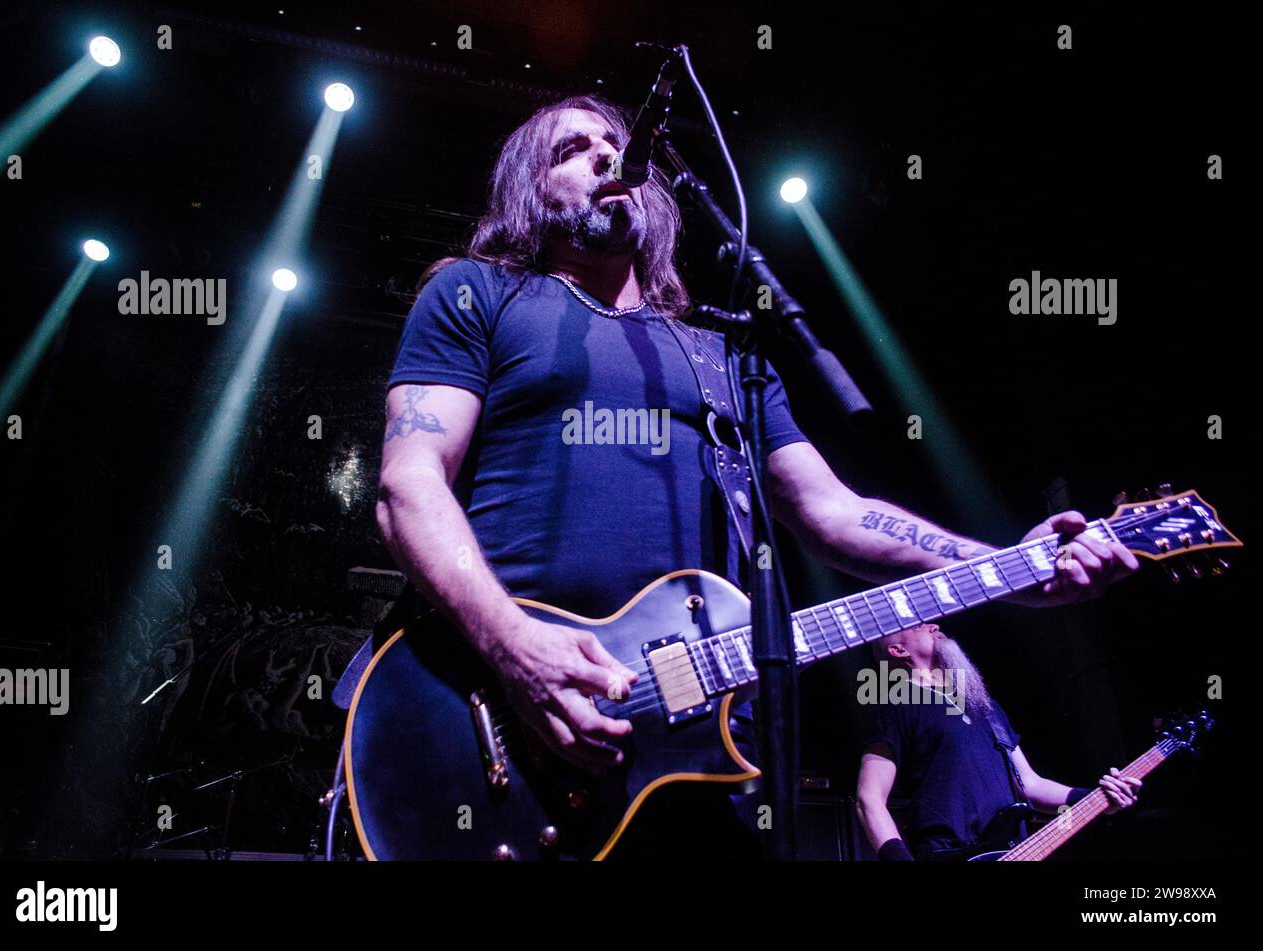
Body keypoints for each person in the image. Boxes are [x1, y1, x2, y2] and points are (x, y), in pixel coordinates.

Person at [374, 94, 1138, 857]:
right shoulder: (479, 294)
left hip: (694, 756)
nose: (610, 155)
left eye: (617, 142)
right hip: (493, 718)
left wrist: (1010, 566)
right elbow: (408, 488)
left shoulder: (722, 356)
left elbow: (834, 512)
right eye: (573, 149)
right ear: (529, 189)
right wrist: (514, 646)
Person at [855, 623, 1142, 860]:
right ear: (898, 649)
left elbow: (1029, 785)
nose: (935, 625)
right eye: (920, 626)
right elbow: (869, 798)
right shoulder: (896, 704)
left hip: (1014, 851)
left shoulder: (985, 705)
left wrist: (1099, 797)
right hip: (949, 853)